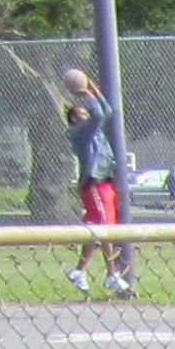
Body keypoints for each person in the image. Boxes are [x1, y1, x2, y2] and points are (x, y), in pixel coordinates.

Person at [61, 67, 136, 297]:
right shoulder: (80, 132)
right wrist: (85, 94)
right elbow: (100, 114)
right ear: (75, 118)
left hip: (105, 183)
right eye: (82, 112)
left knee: (101, 230)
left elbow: (107, 110)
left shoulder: (92, 131)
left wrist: (92, 87)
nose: (86, 113)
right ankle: (110, 274)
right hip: (93, 183)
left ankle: (81, 271)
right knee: (102, 228)